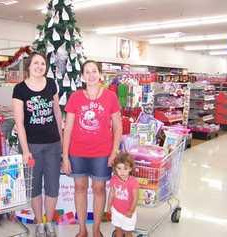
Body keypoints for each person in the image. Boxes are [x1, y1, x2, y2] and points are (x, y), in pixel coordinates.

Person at [62, 60, 122, 237]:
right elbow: (68, 129)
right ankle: (82, 229)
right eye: (87, 72)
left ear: (100, 74)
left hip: (102, 153)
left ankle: (96, 229)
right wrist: (65, 156)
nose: (91, 75)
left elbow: (118, 127)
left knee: (99, 189)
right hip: (77, 152)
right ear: (82, 76)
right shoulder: (75, 97)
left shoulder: (111, 97)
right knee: (79, 188)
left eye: (94, 71)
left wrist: (114, 152)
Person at [12, 52, 62, 237]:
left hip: (53, 145)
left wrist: (62, 142)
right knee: (33, 187)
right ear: (29, 66)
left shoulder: (51, 84)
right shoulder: (20, 89)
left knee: (52, 185)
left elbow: (57, 113)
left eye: (43, 63)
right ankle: (39, 223)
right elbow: (19, 121)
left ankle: (49, 222)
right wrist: (25, 150)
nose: (39, 66)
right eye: (36, 63)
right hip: (31, 146)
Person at [107, 153, 139, 237]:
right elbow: (112, 193)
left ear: (130, 169)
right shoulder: (114, 179)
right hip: (116, 210)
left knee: (128, 232)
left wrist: (131, 210)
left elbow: (136, 198)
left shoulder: (133, 182)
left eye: (125, 169)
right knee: (118, 229)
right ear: (115, 168)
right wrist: (109, 206)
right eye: (119, 168)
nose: (122, 172)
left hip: (128, 211)